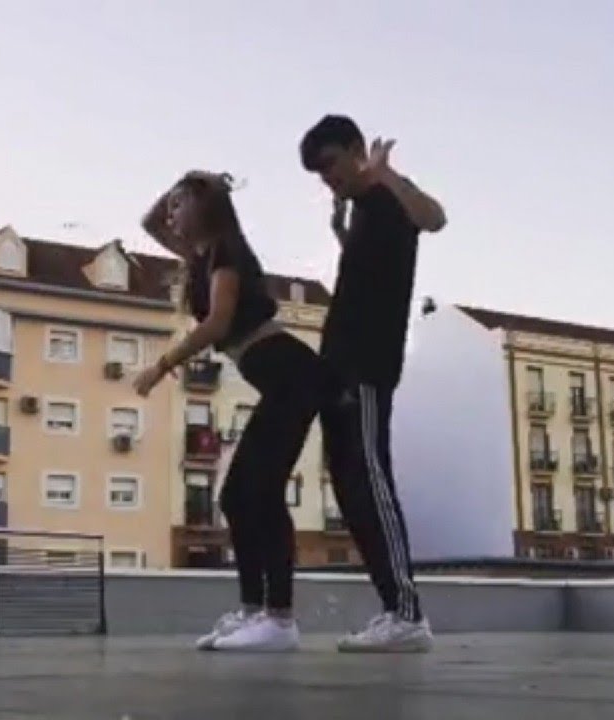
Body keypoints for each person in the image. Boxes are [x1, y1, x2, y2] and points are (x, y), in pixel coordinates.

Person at [134, 170, 323, 652]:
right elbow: (149, 222)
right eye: (172, 206)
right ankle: (254, 612)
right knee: (240, 497)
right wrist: (184, 186)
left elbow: (218, 324)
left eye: (180, 206)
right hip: (281, 381)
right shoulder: (201, 256)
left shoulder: (226, 249)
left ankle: (278, 619)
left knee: (258, 493)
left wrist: (161, 366)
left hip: (292, 377)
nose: (171, 216)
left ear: (205, 209)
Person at [299, 114, 448, 652]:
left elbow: (435, 219)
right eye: (320, 174)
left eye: (331, 165)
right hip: (340, 365)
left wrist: (387, 174)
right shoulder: (362, 211)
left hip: (366, 365)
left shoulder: (387, 196)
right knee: (350, 488)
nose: (328, 179)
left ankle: (407, 614)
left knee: (370, 479)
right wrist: (343, 235)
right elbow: (374, 272)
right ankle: (393, 609)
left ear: (355, 150)